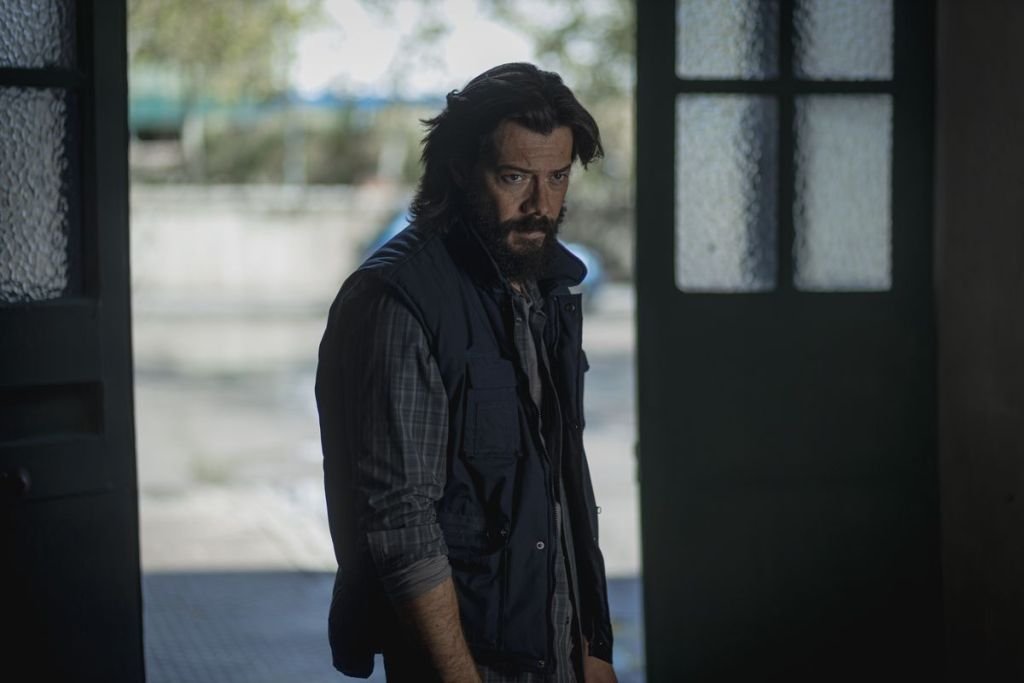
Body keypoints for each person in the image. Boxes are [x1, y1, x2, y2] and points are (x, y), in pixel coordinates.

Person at [316, 63, 616, 683]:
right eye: (514, 177)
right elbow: (399, 523)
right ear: (458, 169)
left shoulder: (544, 283)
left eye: (558, 177)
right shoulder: (400, 300)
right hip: (468, 661)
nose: (541, 206)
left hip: (554, 652)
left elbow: (560, 492)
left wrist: (592, 646)